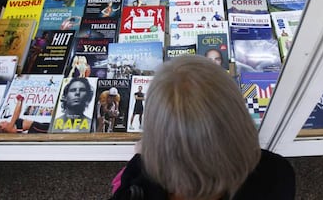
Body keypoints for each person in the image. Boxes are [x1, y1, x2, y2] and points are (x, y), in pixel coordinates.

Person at [110, 55, 295, 199]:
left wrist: (139, 159)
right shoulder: (277, 174)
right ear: (240, 121)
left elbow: (125, 185)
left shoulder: (134, 188)